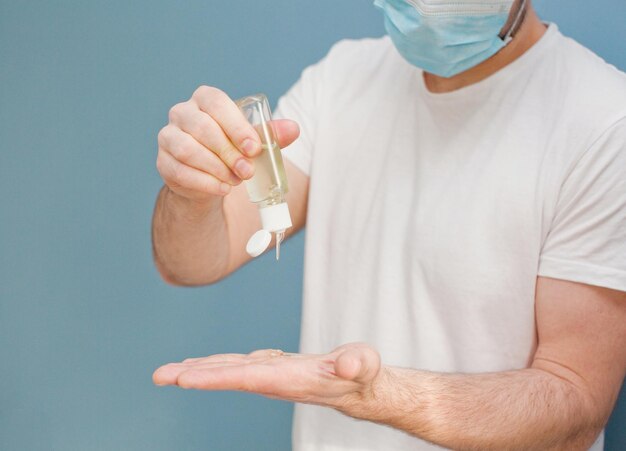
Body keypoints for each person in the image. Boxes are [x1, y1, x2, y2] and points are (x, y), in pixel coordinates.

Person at [151, 0, 626, 449]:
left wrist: (376, 396)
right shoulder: (340, 78)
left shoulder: (604, 121)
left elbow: (575, 402)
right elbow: (191, 262)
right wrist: (190, 194)